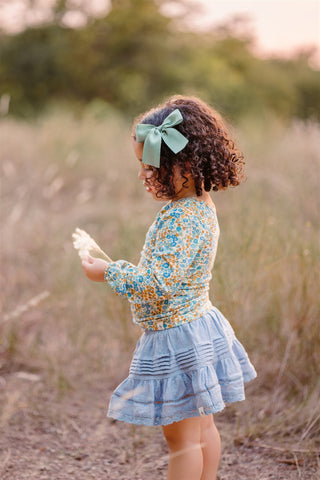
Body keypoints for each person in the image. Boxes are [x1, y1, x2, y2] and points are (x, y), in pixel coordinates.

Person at [81, 95, 257, 480]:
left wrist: (108, 271)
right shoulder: (200, 204)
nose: (144, 176)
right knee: (202, 430)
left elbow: (156, 284)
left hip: (177, 339)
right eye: (142, 167)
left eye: (153, 167)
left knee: (183, 442)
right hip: (199, 326)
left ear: (186, 167)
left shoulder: (180, 218)